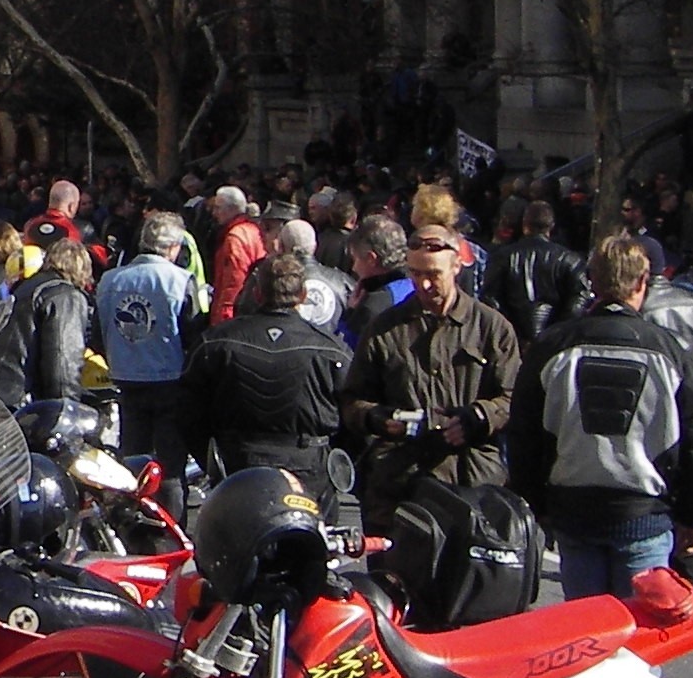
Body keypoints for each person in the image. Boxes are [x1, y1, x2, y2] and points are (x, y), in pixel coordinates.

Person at [507, 235, 693, 601]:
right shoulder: (673, 351)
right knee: (641, 629)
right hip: (644, 512)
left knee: (587, 628)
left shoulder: (553, 345)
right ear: (643, 282)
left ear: (592, 281)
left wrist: (534, 503)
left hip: (574, 511)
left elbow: (524, 434)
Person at [340, 223, 521, 529]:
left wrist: (478, 417)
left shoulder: (492, 328)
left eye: (433, 274)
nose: (423, 284)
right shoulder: (385, 329)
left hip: (471, 483)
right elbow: (352, 399)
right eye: (415, 273)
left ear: (456, 266)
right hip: (400, 486)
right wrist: (378, 418)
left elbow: (514, 397)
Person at [180, 254, 352, 496]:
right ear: (303, 295)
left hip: (239, 465)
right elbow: (354, 413)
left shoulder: (215, 343)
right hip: (307, 468)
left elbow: (187, 411)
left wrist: (211, 458)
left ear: (257, 294)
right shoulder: (331, 350)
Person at [97, 211, 196, 470]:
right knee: (170, 466)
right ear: (173, 247)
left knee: (133, 461)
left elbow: (98, 332)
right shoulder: (181, 280)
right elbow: (193, 334)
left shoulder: (109, 280)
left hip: (126, 377)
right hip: (170, 378)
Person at [0, 235, 91, 406]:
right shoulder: (64, 295)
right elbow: (62, 362)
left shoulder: (26, 288)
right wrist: (66, 407)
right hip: (15, 402)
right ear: (82, 270)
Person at [483, 198, 589, 346]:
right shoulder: (568, 259)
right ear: (551, 226)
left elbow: (490, 297)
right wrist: (560, 328)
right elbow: (581, 296)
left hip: (513, 339)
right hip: (553, 341)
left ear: (524, 224)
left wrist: (508, 329)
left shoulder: (503, 257)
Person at [206, 186, 268, 324]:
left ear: (232, 209)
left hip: (234, 313)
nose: (214, 213)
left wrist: (223, 318)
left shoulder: (234, 237)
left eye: (218, 208)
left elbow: (233, 281)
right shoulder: (253, 230)